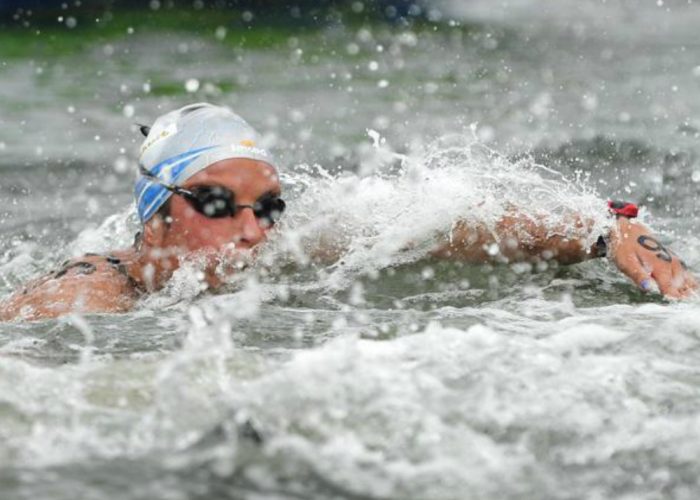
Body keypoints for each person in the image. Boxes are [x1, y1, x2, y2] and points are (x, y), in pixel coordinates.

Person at [0, 103, 696, 321]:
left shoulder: (284, 248)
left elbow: (459, 220)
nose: (252, 229)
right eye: (216, 202)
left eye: (270, 207)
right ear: (156, 214)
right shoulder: (89, 291)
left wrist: (606, 230)